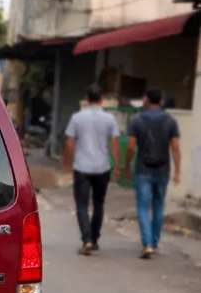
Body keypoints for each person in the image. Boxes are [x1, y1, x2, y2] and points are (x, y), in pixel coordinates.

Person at [63, 85, 120, 255]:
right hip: (102, 167)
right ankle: (94, 239)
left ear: (87, 100)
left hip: (82, 167)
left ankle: (86, 240)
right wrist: (116, 165)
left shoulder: (77, 117)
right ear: (101, 100)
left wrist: (68, 162)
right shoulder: (110, 118)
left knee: (81, 204)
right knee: (98, 204)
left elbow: (69, 142)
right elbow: (115, 143)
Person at [125, 89, 181, 259]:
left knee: (143, 207)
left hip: (143, 170)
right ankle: (154, 243)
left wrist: (126, 164)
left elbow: (130, 146)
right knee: (158, 207)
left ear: (147, 100)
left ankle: (147, 244)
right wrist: (177, 171)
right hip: (163, 170)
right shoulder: (170, 121)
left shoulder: (137, 120)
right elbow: (175, 148)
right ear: (161, 100)